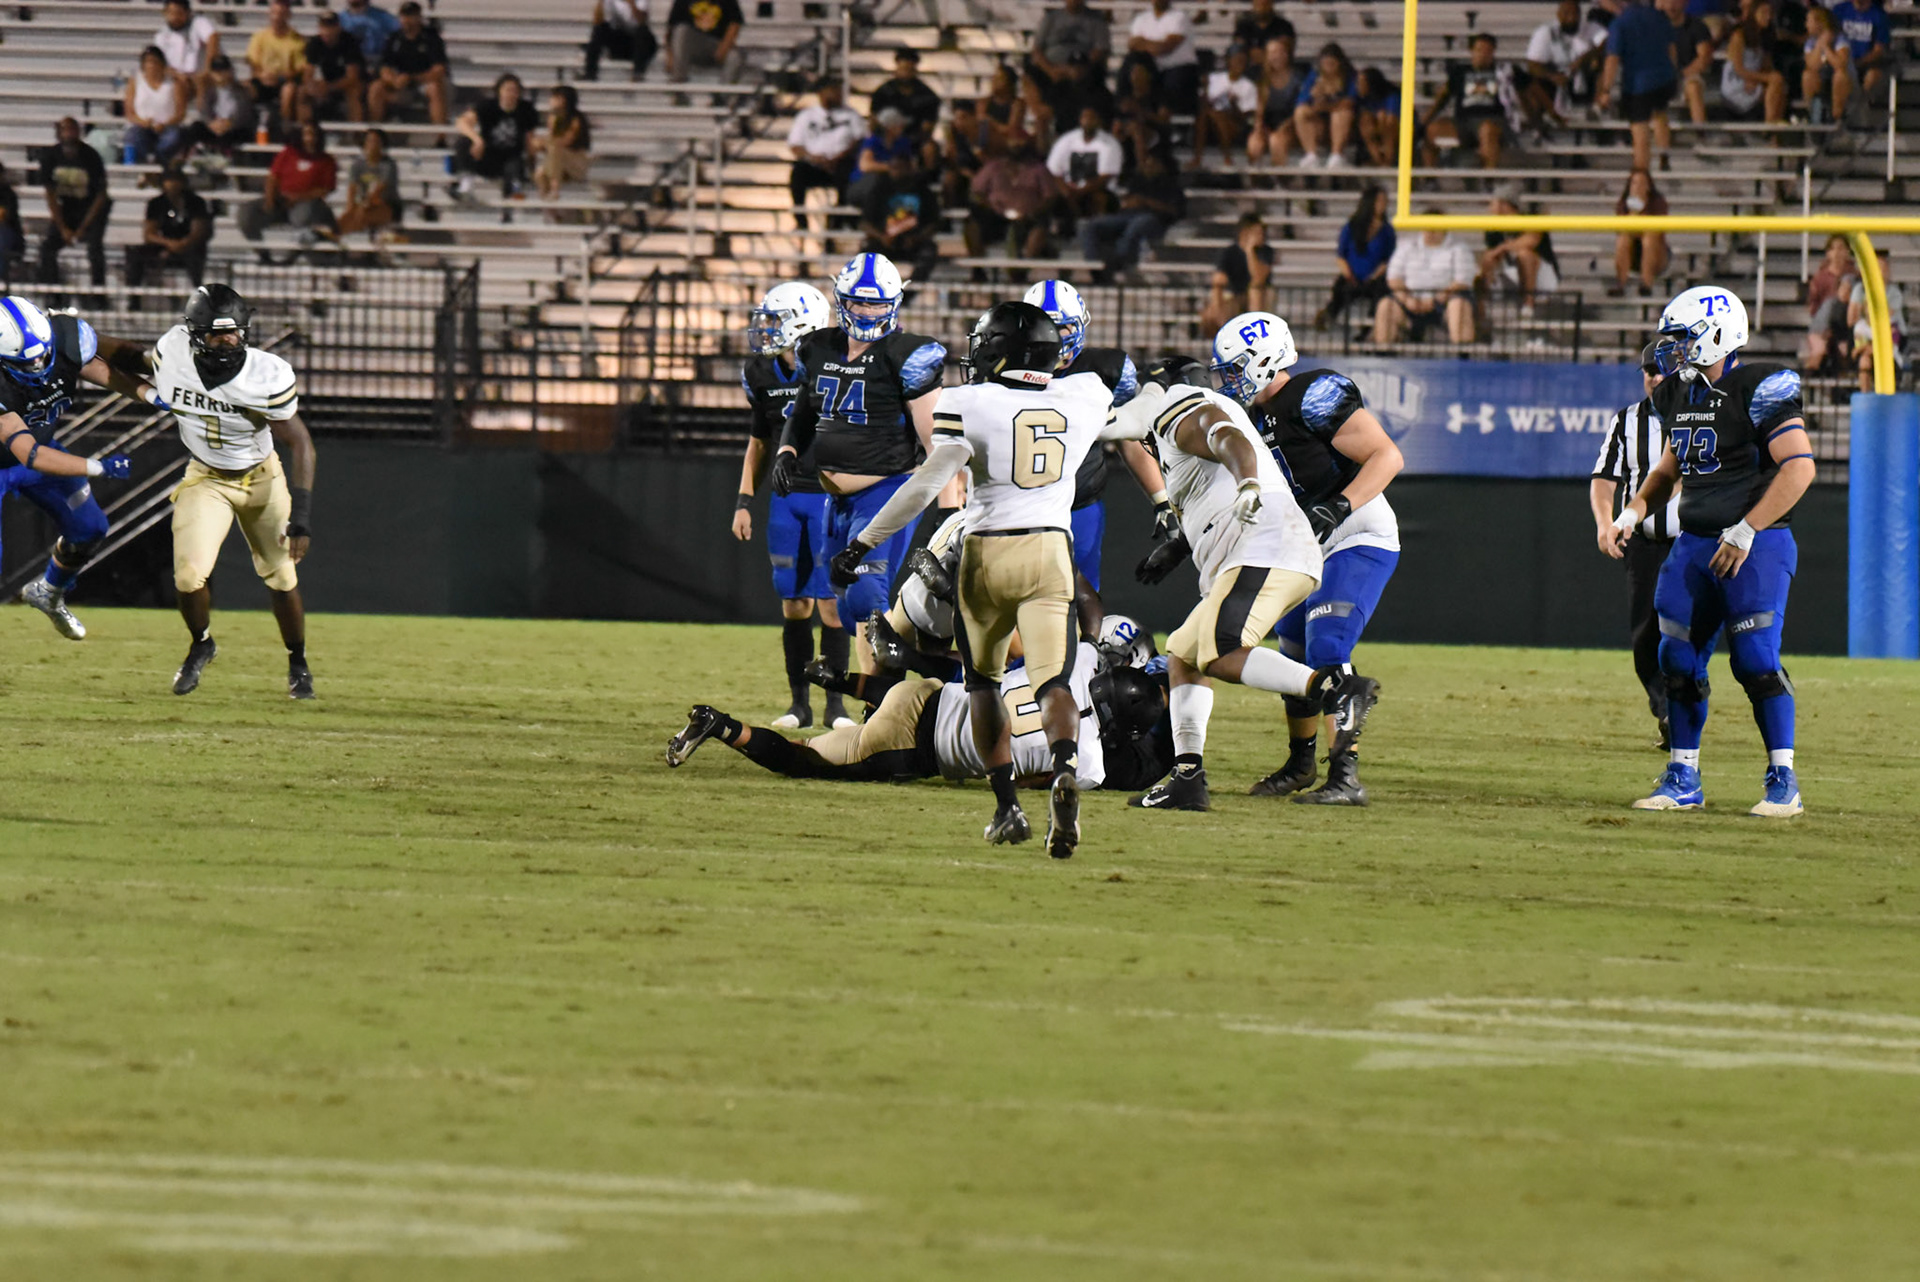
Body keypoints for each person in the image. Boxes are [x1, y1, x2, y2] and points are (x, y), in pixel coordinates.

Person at [830, 301, 1128, 852]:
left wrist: (862, 543)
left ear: (1004, 352)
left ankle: (1007, 807)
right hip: (1051, 551)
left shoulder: (967, 401)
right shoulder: (1085, 392)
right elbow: (1134, 403)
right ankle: (1064, 769)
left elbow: (926, 485)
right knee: (1054, 683)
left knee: (984, 685)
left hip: (988, 551)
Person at [1114, 351, 1375, 811]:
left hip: (1263, 544)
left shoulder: (1182, 405)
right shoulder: (1187, 421)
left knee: (1221, 651)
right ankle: (1187, 777)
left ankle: (1334, 689)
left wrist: (1248, 482)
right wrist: (1179, 545)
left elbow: (1222, 433)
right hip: (1260, 547)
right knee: (1184, 655)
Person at [1609, 286, 1815, 817]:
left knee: (1756, 661)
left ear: (1717, 334)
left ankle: (1783, 779)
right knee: (1675, 657)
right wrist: (1633, 511)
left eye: (1682, 337)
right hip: (1695, 543)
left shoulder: (1760, 386)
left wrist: (1747, 529)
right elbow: (1668, 469)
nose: (1672, 347)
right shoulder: (1678, 393)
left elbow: (1799, 467)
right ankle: (1684, 776)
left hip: (1756, 544)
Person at [1211, 314, 1403, 804]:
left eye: (1234, 367)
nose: (1228, 379)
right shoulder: (1249, 416)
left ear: (1264, 360)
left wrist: (1337, 506)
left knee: (1328, 645)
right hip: (1305, 544)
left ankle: (1345, 775)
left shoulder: (1312, 395)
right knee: (1292, 654)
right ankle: (1300, 763)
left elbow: (1387, 456)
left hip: (1356, 532)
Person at [667, 642, 1155, 799]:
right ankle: (721, 725)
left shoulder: (1078, 662)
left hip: (923, 691)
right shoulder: (1091, 761)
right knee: (803, 760)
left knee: (920, 699)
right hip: (914, 747)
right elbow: (1023, 779)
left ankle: (843, 680)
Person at [770, 253, 947, 669]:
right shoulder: (817, 347)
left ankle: (881, 698)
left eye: (875, 303)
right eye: (858, 302)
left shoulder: (908, 354)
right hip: (835, 499)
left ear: (894, 304)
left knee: (868, 595)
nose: (866, 311)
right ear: (841, 301)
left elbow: (939, 443)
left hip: (886, 490)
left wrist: (948, 509)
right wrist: (787, 450)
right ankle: (917, 671)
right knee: (846, 608)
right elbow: (803, 409)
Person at [155, 285, 318, 700]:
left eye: (233, 332)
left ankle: (298, 662)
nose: (227, 340)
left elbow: (301, 443)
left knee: (282, 575)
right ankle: (201, 644)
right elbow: (129, 358)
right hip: (207, 477)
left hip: (262, 479)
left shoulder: (265, 375)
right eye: (216, 333)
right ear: (195, 334)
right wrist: (83, 342)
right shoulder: (174, 353)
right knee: (188, 575)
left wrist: (301, 517)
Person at [736, 282, 853, 731]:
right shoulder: (759, 372)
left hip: (827, 496)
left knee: (830, 605)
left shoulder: (832, 364)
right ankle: (799, 705)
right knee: (794, 603)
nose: (766, 329)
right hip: (786, 500)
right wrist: (744, 501)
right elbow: (758, 442)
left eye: (775, 320)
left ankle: (836, 706)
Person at [1022, 279, 1169, 630]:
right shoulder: (1005, 368)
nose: (1054, 338)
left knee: (1079, 607)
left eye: (1062, 328)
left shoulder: (1103, 370)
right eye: (1046, 328)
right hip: (1021, 507)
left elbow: (1129, 435)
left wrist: (1161, 499)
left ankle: (1076, 662)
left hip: (1080, 504)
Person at [0, 295, 148, 640]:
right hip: (24, 455)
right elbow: (31, 455)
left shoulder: (64, 339)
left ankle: (49, 593)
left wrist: (153, 395)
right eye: (26, 363)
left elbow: (106, 373)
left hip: (38, 451)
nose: (39, 367)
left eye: (43, 356)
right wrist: (99, 467)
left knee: (90, 527)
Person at [1590, 347, 1678, 750]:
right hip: (1644, 543)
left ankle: (1683, 706)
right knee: (1646, 633)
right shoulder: (1627, 421)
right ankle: (1667, 710)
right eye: (1649, 371)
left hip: (1690, 540)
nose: (1655, 378)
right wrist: (1604, 523)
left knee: (1685, 627)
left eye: (1663, 371)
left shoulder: (1698, 416)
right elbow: (1604, 477)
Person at [36, 119, 111, 302]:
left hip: (91, 209)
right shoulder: (51, 156)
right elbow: (50, 195)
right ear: (59, 133)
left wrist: (83, 228)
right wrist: (63, 228)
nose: (69, 133)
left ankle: (99, 296)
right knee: (47, 248)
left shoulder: (91, 156)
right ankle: (52, 294)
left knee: (95, 248)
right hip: (66, 210)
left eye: (72, 129)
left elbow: (101, 195)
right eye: (65, 129)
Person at [1078, 146, 1183, 274]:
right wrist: (1127, 203)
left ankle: (1120, 259)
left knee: (1137, 224)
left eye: (1152, 163)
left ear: (1162, 166)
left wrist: (1146, 202)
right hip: (1127, 215)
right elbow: (1126, 200)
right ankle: (1093, 265)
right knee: (1093, 225)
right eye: (1146, 163)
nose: (1148, 166)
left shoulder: (1171, 185)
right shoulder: (1137, 181)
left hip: (1155, 218)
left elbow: (1174, 210)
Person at [1600, 0, 1677, 174]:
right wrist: (1673, 72)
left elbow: (1612, 59)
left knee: (1640, 129)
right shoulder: (1659, 18)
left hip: (1638, 83)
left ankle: (1642, 170)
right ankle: (1664, 154)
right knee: (1660, 113)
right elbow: (1671, 48)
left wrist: (1606, 89)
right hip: (1664, 77)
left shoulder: (1620, 24)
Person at [1374, 218, 1475, 345]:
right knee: (1386, 305)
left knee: (1459, 305)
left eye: (1435, 228)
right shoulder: (1407, 246)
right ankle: (1384, 352)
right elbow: (1393, 278)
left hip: (1444, 303)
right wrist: (1407, 299)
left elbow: (1462, 281)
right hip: (1410, 303)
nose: (1430, 232)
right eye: (1427, 228)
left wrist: (1437, 299)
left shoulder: (1459, 248)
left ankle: (1463, 352)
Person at [238, 121, 338, 243]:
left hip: (306, 202)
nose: (309, 138)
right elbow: (273, 177)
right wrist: (270, 198)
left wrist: (298, 197)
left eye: (312, 134)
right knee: (247, 213)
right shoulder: (288, 153)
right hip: (281, 200)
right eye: (305, 134)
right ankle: (261, 250)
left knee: (302, 217)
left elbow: (325, 189)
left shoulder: (327, 161)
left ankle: (295, 250)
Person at [1421, 31, 1507, 170]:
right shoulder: (1460, 72)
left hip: (1492, 121)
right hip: (1462, 123)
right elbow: (1443, 97)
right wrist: (1424, 122)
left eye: (1487, 51)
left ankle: (1489, 177)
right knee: (1432, 130)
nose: (1483, 54)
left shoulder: (1503, 72)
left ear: (1493, 53)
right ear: (1471, 51)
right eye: (1479, 50)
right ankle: (1429, 176)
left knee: (1487, 130)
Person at [787, 77, 865, 228]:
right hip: (815, 164)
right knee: (798, 172)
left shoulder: (851, 115)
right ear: (821, 93)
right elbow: (795, 145)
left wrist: (839, 157)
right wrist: (812, 158)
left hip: (841, 163)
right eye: (834, 90)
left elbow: (860, 140)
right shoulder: (806, 116)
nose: (839, 94)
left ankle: (838, 220)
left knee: (849, 173)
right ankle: (801, 219)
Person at [965, 139, 1060, 259]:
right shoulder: (993, 167)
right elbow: (977, 191)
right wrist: (989, 206)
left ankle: (1027, 263)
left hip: (1029, 217)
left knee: (1040, 226)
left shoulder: (1039, 170)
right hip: (996, 216)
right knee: (972, 224)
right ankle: (977, 265)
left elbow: (1050, 197)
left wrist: (1034, 212)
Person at [125, 165, 211, 295]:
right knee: (135, 254)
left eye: (176, 180)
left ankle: (198, 293)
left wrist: (183, 243)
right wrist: (168, 243)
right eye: (169, 180)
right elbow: (149, 234)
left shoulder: (196, 202)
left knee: (195, 255)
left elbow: (198, 231)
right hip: (165, 244)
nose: (172, 184)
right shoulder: (156, 203)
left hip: (189, 246)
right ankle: (133, 298)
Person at [452, 73, 538, 199]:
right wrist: (477, 140)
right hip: (487, 155)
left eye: (514, 90)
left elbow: (530, 139)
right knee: (463, 142)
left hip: (511, 158)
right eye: (507, 90)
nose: (511, 94)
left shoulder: (526, 109)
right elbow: (461, 122)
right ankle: (466, 185)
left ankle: (512, 193)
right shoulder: (488, 105)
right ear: (499, 91)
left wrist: (532, 165)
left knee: (515, 168)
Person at [1027, 0, 1112, 124]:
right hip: (1052, 69)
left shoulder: (1097, 19)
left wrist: (1079, 69)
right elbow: (1037, 49)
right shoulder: (1050, 18)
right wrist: (1050, 70)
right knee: (1028, 71)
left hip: (1083, 67)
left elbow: (1101, 49)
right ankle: (1040, 115)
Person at [859, 153, 940, 281]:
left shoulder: (924, 192)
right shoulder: (879, 191)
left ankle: (911, 289)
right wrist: (882, 237)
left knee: (929, 251)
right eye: (894, 168)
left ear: (910, 169)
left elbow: (933, 223)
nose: (898, 172)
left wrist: (917, 238)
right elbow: (864, 223)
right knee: (867, 251)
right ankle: (875, 288)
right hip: (884, 241)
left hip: (914, 242)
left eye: (901, 168)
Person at [1321, 184, 1393, 327]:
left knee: (1381, 292)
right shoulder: (1351, 227)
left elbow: (1388, 259)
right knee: (1341, 288)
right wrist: (1349, 275)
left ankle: (1369, 327)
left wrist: (1373, 277)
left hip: (1375, 278)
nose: (1383, 205)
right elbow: (1341, 256)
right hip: (1352, 275)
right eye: (1379, 201)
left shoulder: (1387, 231)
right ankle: (1328, 316)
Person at [1523, 0, 1601, 131]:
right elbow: (1532, 65)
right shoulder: (1545, 32)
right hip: (1555, 81)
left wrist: (1584, 59)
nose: (1571, 18)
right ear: (1558, 15)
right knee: (1531, 80)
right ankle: (1540, 127)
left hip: (1583, 81)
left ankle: (1598, 112)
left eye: (1575, 14)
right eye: (1566, 13)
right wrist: (1552, 76)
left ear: (1580, 14)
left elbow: (1607, 44)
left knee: (1602, 62)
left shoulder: (1590, 27)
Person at [369, 1, 450, 125]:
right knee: (376, 87)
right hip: (402, 85)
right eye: (404, 16)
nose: (407, 20)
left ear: (419, 17)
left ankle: (440, 133)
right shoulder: (394, 38)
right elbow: (385, 66)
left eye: (411, 16)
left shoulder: (431, 38)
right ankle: (374, 130)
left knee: (435, 88)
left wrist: (412, 78)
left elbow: (439, 70)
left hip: (424, 82)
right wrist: (393, 80)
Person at [1479, 185, 1560, 307]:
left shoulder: (1529, 219)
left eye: (1493, 203)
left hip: (1542, 277)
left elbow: (1531, 240)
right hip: (1512, 272)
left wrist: (1503, 247)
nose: (1490, 208)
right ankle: (1483, 306)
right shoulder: (1493, 228)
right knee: (1487, 259)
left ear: (1503, 204)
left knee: (1525, 255)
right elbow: (1491, 253)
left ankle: (1528, 304)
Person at [1047, 107, 1123, 224]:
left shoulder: (1110, 143)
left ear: (1099, 121)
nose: (1088, 121)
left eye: (1092, 118)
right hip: (1069, 187)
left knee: (1099, 199)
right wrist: (1066, 190)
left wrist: (1080, 191)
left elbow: (1106, 177)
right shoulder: (1066, 140)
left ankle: (1097, 226)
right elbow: (1054, 170)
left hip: (1097, 188)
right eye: (1085, 117)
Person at [870, 48, 943, 168]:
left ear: (915, 69)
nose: (905, 74)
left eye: (909, 70)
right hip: (886, 138)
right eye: (902, 69)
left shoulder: (927, 96)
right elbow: (874, 122)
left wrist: (907, 140)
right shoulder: (883, 92)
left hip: (914, 140)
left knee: (929, 148)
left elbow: (927, 128)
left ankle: (925, 177)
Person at [1202, 213, 1271, 334]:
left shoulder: (1265, 252)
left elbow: (1259, 278)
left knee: (1255, 289)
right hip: (1236, 294)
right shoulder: (1229, 252)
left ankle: (1256, 331)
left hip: (1261, 294)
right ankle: (1224, 331)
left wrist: (1250, 252)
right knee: (1217, 297)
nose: (1261, 236)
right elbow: (1219, 279)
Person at [1292, 41, 1358, 170]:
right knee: (1300, 112)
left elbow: (1350, 102)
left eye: (1332, 64)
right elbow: (1303, 101)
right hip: (1320, 122)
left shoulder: (1350, 77)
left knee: (1342, 113)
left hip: (1346, 124)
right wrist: (1316, 97)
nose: (1328, 68)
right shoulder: (1315, 76)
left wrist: (1327, 106)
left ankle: (1336, 155)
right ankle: (1311, 155)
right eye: (1325, 64)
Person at [1848, 248, 1906, 392]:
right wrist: (1864, 348)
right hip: (1868, 354)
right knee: (1864, 360)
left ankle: (1886, 395)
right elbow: (1853, 325)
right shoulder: (1861, 326)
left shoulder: (1894, 295)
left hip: (1890, 352)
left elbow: (1891, 339)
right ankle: (1866, 397)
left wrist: (1868, 347)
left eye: (1884, 268)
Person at [1193, 44, 1258, 170]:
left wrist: (1233, 105)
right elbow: (1202, 104)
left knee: (1218, 115)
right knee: (1206, 114)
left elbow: (1244, 118)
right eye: (1236, 60)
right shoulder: (1213, 79)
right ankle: (1199, 158)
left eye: (1243, 61)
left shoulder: (1249, 86)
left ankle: (1224, 156)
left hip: (1234, 126)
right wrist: (1206, 90)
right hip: (1209, 125)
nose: (1239, 64)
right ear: (1228, 60)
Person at [1126, 0, 1198, 112]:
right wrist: (1155, 46)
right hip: (1152, 67)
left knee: (1173, 82)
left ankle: (1164, 114)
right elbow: (1132, 45)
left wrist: (1143, 43)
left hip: (1178, 67)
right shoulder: (1141, 19)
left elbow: (1166, 48)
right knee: (1131, 62)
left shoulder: (1179, 17)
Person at [1720, 0, 1787, 121]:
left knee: (1779, 85)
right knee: (1776, 79)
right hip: (1736, 81)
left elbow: (1766, 66)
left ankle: (1774, 124)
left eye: (1770, 13)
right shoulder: (1739, 35)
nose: (1768, 17)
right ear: (1753, 14)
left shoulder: (1764, 37)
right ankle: (1771, 126)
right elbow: (1738, 68)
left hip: (1753, 79)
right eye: (1763, 12)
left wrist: (1759, 79)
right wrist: (1759, 78)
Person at [247, 0, 308, 129]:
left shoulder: (296, 39)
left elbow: (298, 69)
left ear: (288, 15)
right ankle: (247, 128)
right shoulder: (259, 36)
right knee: (245, 88)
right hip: (262, 79)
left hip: (284, 81)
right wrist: (261, 75)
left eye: (280, 14)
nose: (276, 17)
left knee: (288, 91)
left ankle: (284, 128)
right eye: (274, 13)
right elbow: (252, 61)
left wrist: (279, 77)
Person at [123, 46, 190, 165]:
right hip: (143, 127)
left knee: (174, 137)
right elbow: (130, 112)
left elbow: (181, 113)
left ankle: (158, 159)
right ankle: (145, 161)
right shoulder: (135, 82)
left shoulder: (173, 83)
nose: (152, 66)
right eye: (148, 62)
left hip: (167, 128)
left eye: (155, 62)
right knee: (133, 135)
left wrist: (165, 124)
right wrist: (143, 122)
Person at [1247, 34, 1306, 167]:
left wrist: (1284, 127)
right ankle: (1255, 178)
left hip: (1291, 123)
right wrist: (1258, 129)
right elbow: (1259, 109)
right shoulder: (1262, 78)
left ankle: (1279, 177)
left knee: (1276, 141)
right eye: (1273, 53)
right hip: (1268, 122)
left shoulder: (1297, 78)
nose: (1277, 56)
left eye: (1280, 52)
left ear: (1287, 54)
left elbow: (1299, 107)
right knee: (1254, 144)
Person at [1610, 167, 1669, 298]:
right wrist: (1633, 212)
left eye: (1642, 183)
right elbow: (1620, 228)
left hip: (1656, 253)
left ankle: (1646, 285)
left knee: (1649, 238)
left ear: (1648, 186)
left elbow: (1659, 231)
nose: (1638, 187)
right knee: (1623, 239)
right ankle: (1620, 284)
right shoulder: (1623, 204)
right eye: (1635, 183)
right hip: (1632, 252)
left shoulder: (1657, 202)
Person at [184, 54, 257, 160]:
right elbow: (205, 111)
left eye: (223, 70)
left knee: (231, 135)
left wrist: (229, 123)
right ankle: (187, 156)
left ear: (230, 71)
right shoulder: (209, 91)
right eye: (216, 71)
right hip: (215, 125)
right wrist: (211, 123)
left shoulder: (241, 90)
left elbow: (243, 113)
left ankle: (224, 156)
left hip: (234, 128)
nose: (220, 74)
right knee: (195, 127)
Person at [1800, 235, 1855, 372]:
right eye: (1833, 249)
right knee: (1830, 304)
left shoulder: (1855, 275)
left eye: (1841, 248)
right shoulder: (1820, 277)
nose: (1837, 253)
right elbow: (1813, 306)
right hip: (1824, 322)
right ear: (1828, 253)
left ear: (1847, 252)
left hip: (1848, 320)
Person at [846, 108, 917, 213]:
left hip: (887, 187)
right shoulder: (873, 141)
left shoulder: (903, 142)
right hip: (862, 186)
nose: (902, 128)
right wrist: (891, 168)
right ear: (890, 128)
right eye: (899, 125)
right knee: (877, 181)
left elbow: (911, 164)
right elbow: (865, 166)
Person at [302, 9, 366, 123]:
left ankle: (355, 130)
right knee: (302, 93)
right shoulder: (314, 43)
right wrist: (313, 87)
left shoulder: (349, 42)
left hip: (347, 84)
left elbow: (352, 77)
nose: (327, 31)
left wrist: (329, 87)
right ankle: (307, 128)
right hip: (326, 82)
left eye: (331, 27)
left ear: (338, 28)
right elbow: (308, 73)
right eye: (324, 27)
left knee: (354, 92)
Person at [337, 127, 401, 238]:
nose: (372, 145)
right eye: (369, 141)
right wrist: (350, 209)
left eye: (376, 141)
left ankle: (347, 237)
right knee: (345, 219)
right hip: (364, 204)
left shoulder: (388, 165)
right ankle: (337, 236)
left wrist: (364, 205)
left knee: (362, 216)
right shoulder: (357, 165)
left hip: (387, 205)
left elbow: (380, 189)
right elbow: (352, 188)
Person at [534, 85, 593, 201]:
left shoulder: (575, 120)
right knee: (540, 173)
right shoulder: (554, 117)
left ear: (563, 100)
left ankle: (554, 189)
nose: (550, 100)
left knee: (555, 150)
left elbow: (564, 141)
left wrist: (544, 142)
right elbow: (552, 140)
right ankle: (546, 199)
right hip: (559, 164)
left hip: (575, 163)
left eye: (554, 97)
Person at [665, 0, 744, 84]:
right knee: (681, 30)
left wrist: (725, 46)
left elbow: (735, 23)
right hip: (692, 47)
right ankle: (678, 81)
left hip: (716, 45)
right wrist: (670, 56)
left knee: (735, 57)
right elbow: (672, 30)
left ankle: (724, 91)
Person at [1801, 6, 1855, 124]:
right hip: (1823, 79)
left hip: (1847, 81)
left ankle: (1838, 116)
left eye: (1809, 21)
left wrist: (1826, 47)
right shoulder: (1810, 42)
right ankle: (1811, 113)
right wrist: (1820, 45)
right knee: (1808, 75)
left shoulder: (1840, 39)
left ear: (1820, 23)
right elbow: (1812, 65)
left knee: (1840, 75)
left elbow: (1840, 65)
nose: (1806, 25)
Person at [1829, 0, 1890, 103]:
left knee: (1873, 75)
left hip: (1866, 62)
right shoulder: (1839, 10)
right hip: (1841, 60)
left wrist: (1858, 62)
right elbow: (1829, 37)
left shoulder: (1879, 15)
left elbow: (1878, 50)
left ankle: (1859, 105)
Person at [1667, 0, 1716, 126]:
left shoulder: (1697, 26)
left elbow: (1704, 57)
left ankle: (1700, 131)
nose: (1671, 6)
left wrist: (1681, 75)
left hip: (1689, 76)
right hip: (1663, 77)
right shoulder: (1655, 28)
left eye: (1675, 2)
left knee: (1693, 87)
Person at [154, 0, 221, 91]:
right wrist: (178, 75)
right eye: (171, 13)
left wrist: (208, 70)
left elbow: (213, 37)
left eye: (179, 13)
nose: (174, 17)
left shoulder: (198, 22)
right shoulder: (161, 36)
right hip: (176, 80)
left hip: (198, 77)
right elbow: (160, 63)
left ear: (188, 13)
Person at [585, 0, 659, 82]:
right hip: (621, 43)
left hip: (639, 44)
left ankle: (638, 72)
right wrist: (601, 5)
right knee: (600, 29)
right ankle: (590, 73)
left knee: (642, 31)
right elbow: (599, 21)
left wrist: (631, 4)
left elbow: (641, 21)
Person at [1355, 67, 1400, 167]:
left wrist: (1379, 127)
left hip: (1395, 129)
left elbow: (1392, 119)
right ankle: (1378, 159)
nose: (1358, 86)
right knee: (1365, 120)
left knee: (1384, 118)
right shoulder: (1361, 98)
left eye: (1361, 83)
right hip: (1372, 129)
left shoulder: (1392, 96)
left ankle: (1388, 160)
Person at [338, 0, 400, 68]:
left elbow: (401, 31)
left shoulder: (382, 16)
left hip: (378, 62)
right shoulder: (340, 19)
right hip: (350, 64)